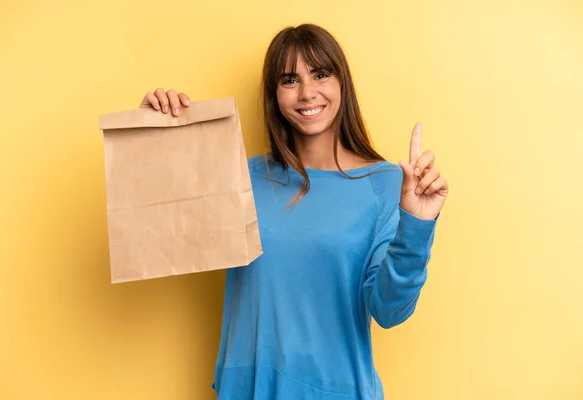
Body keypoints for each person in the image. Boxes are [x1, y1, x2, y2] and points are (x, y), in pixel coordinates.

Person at [140, 23, 448, 400]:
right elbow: (157, 232)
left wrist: (417, 224)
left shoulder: (385, 184)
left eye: (320, 74)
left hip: (336, 390)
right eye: (289, 80)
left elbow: (389, 310)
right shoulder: (242, 177)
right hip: (246, 390)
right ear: (274, 95)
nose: (307, 93)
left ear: (341, 85)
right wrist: (152, 134)